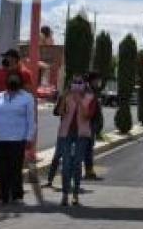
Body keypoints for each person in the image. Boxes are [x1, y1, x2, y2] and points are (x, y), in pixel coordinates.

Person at [0, 70, 36, 205]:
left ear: (20, 82)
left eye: (16, 78)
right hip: (0, 138)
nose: (13, 80)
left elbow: (31, 120)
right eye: (11, 78)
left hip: (18, 140)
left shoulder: (27, 98)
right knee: (2, 169)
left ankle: (17, 195)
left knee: (15, 168)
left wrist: (29, 138)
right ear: (6, 81)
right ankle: (3, 196)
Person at [0, 49, 34, 177]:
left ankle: (11, 175)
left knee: (14, 150)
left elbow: (29, 93)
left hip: (17, 114)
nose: (6, 59)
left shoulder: (24, 73)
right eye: (6, 57)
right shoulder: (0, 73)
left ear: (14, 58)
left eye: (8, 57)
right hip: (1, 110)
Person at [52, 74, 96, 206]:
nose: (77, 86)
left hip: (82, 135)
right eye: (75, 83)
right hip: (66, 134)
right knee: (66, 165)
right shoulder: (66, 96)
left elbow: (87, 115)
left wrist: (80, 102)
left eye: (80, 83)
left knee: (77, 164)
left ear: (84, 85)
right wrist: (64, 98)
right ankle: (65, 194)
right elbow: (60, 112)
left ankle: (75, 194)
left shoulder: (90, 98)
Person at [83, 71, 104, 180]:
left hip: (92, 124)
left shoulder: (93, 90)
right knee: (85, 149)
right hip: (87, 124)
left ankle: (89, 171)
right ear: (92, 80)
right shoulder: (87, 91)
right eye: (97, 80)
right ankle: (87, 171)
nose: (99, 82)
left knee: (88, 149)